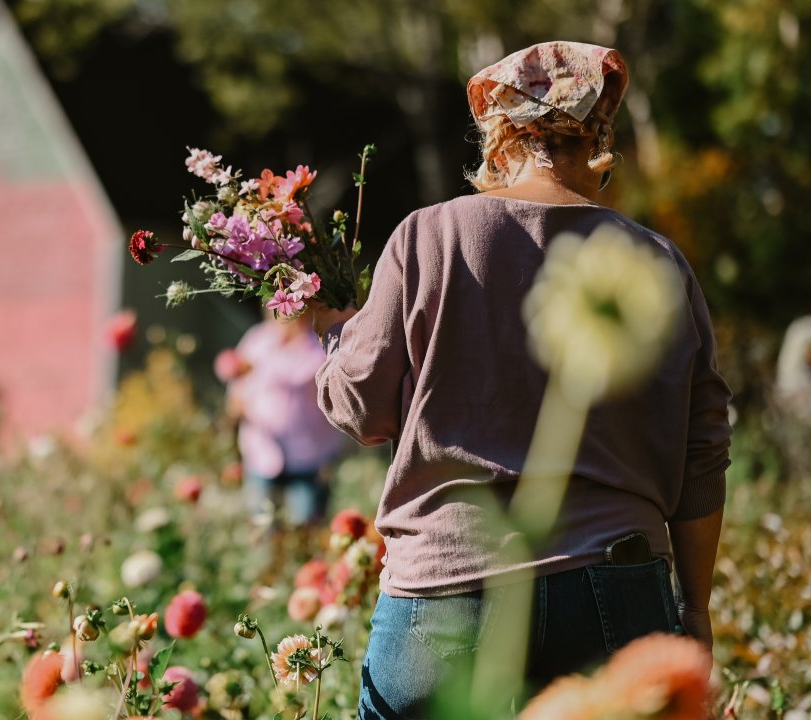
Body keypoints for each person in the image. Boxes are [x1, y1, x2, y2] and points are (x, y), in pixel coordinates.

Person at [310, 42, 732, 718]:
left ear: (499, 134)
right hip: (615, 580)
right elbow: (703, 447)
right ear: (601, 133)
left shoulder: (429, 236)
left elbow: (360, 410)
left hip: (445, 586)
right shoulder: (656, 261)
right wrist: (695, 609)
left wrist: (336, 335)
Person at [221, 311, 345, 546]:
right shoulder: (257, 340)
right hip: (262, 452)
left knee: (304, 529)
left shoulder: (319, 345)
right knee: (262, 530)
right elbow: (236, 392)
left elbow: (310, 378)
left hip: (307, 456)